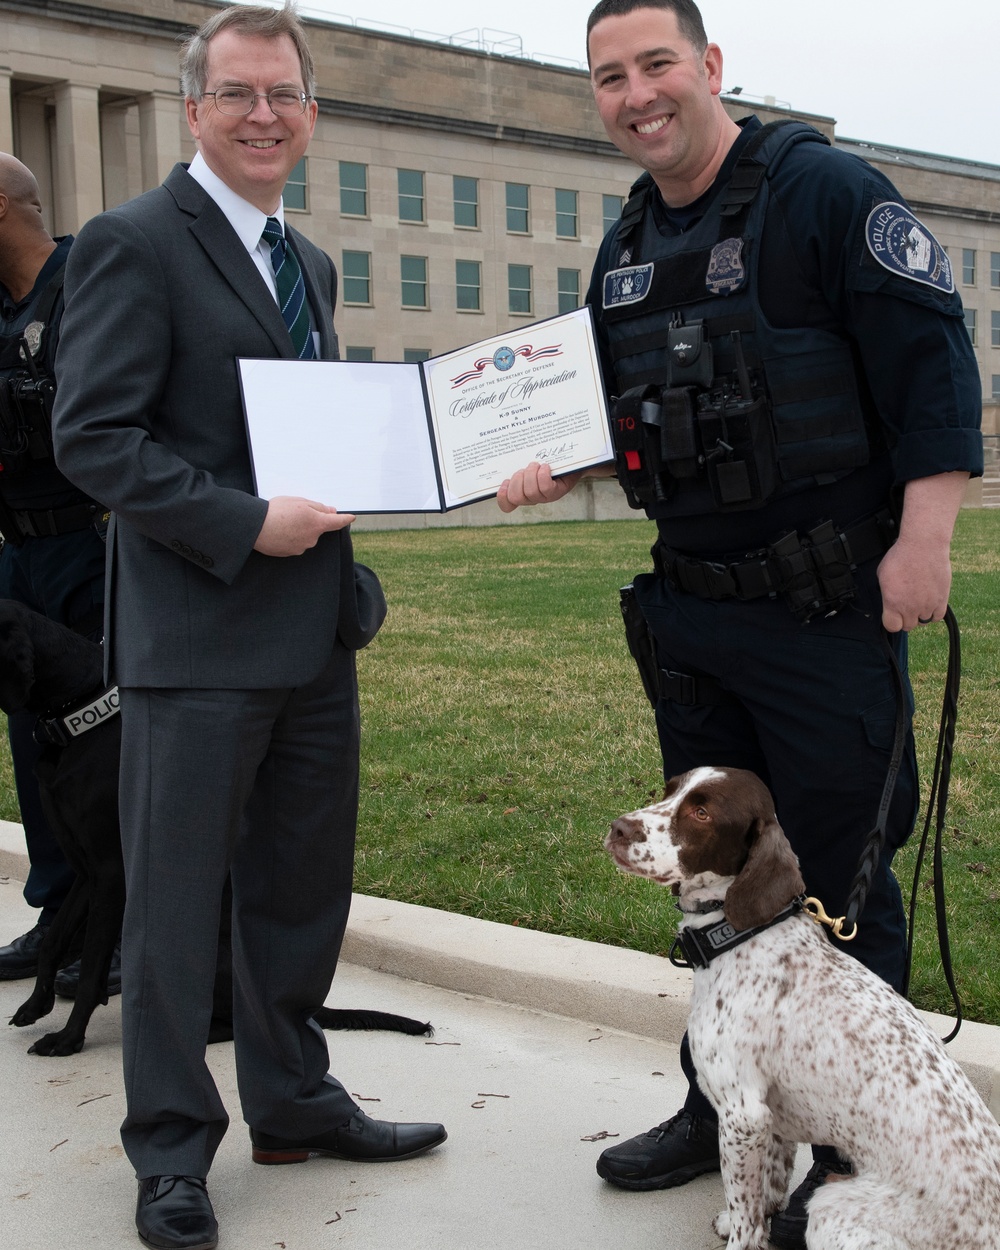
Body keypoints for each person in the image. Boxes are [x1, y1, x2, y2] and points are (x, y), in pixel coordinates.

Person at [498, 2, 982, 1246]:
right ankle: (723, 1109)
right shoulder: (624, 244)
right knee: (716, 891)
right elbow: (636, 414)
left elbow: (933, 361)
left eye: (656, 64)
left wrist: (923, 539)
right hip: (696, 620)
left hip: (827, 613)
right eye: (609, 76)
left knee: (838, 882)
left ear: (710, 67)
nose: (635, 93)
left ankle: (847, 1143)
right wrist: (561, 461)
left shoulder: (821, 193)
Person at [51, 6, 445, 1248]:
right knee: (173, 911)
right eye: (238, 94)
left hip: (311, 639)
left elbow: (319, 442)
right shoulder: (131, 243)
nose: (264, 114)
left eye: (284, 94)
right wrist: (241, 523)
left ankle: (291, 1099)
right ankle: (170, 1147)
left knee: (297, 890)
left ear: (311, 113)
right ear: (194, 109)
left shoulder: (309, 262)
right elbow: (94, 439)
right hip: (196, 638)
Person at [0, 153, 110, 991]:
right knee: (36, 739)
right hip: (19, 551)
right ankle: (58, 913)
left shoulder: (87, 283)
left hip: (90, 541)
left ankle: (115, 925)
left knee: (105, 743)